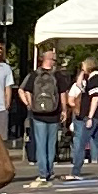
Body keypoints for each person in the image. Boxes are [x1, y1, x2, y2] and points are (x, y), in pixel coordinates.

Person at [26, 47, 67, 185]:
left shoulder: (34, 75)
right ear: (51, 60)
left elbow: (24, 90)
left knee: (40, 144)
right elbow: (62, 94)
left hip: (38, 114)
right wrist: (64, 110)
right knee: (51, 144)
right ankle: (49, 171)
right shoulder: (58, 75)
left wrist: (30, 104)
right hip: (54, 114)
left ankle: (43, 173)